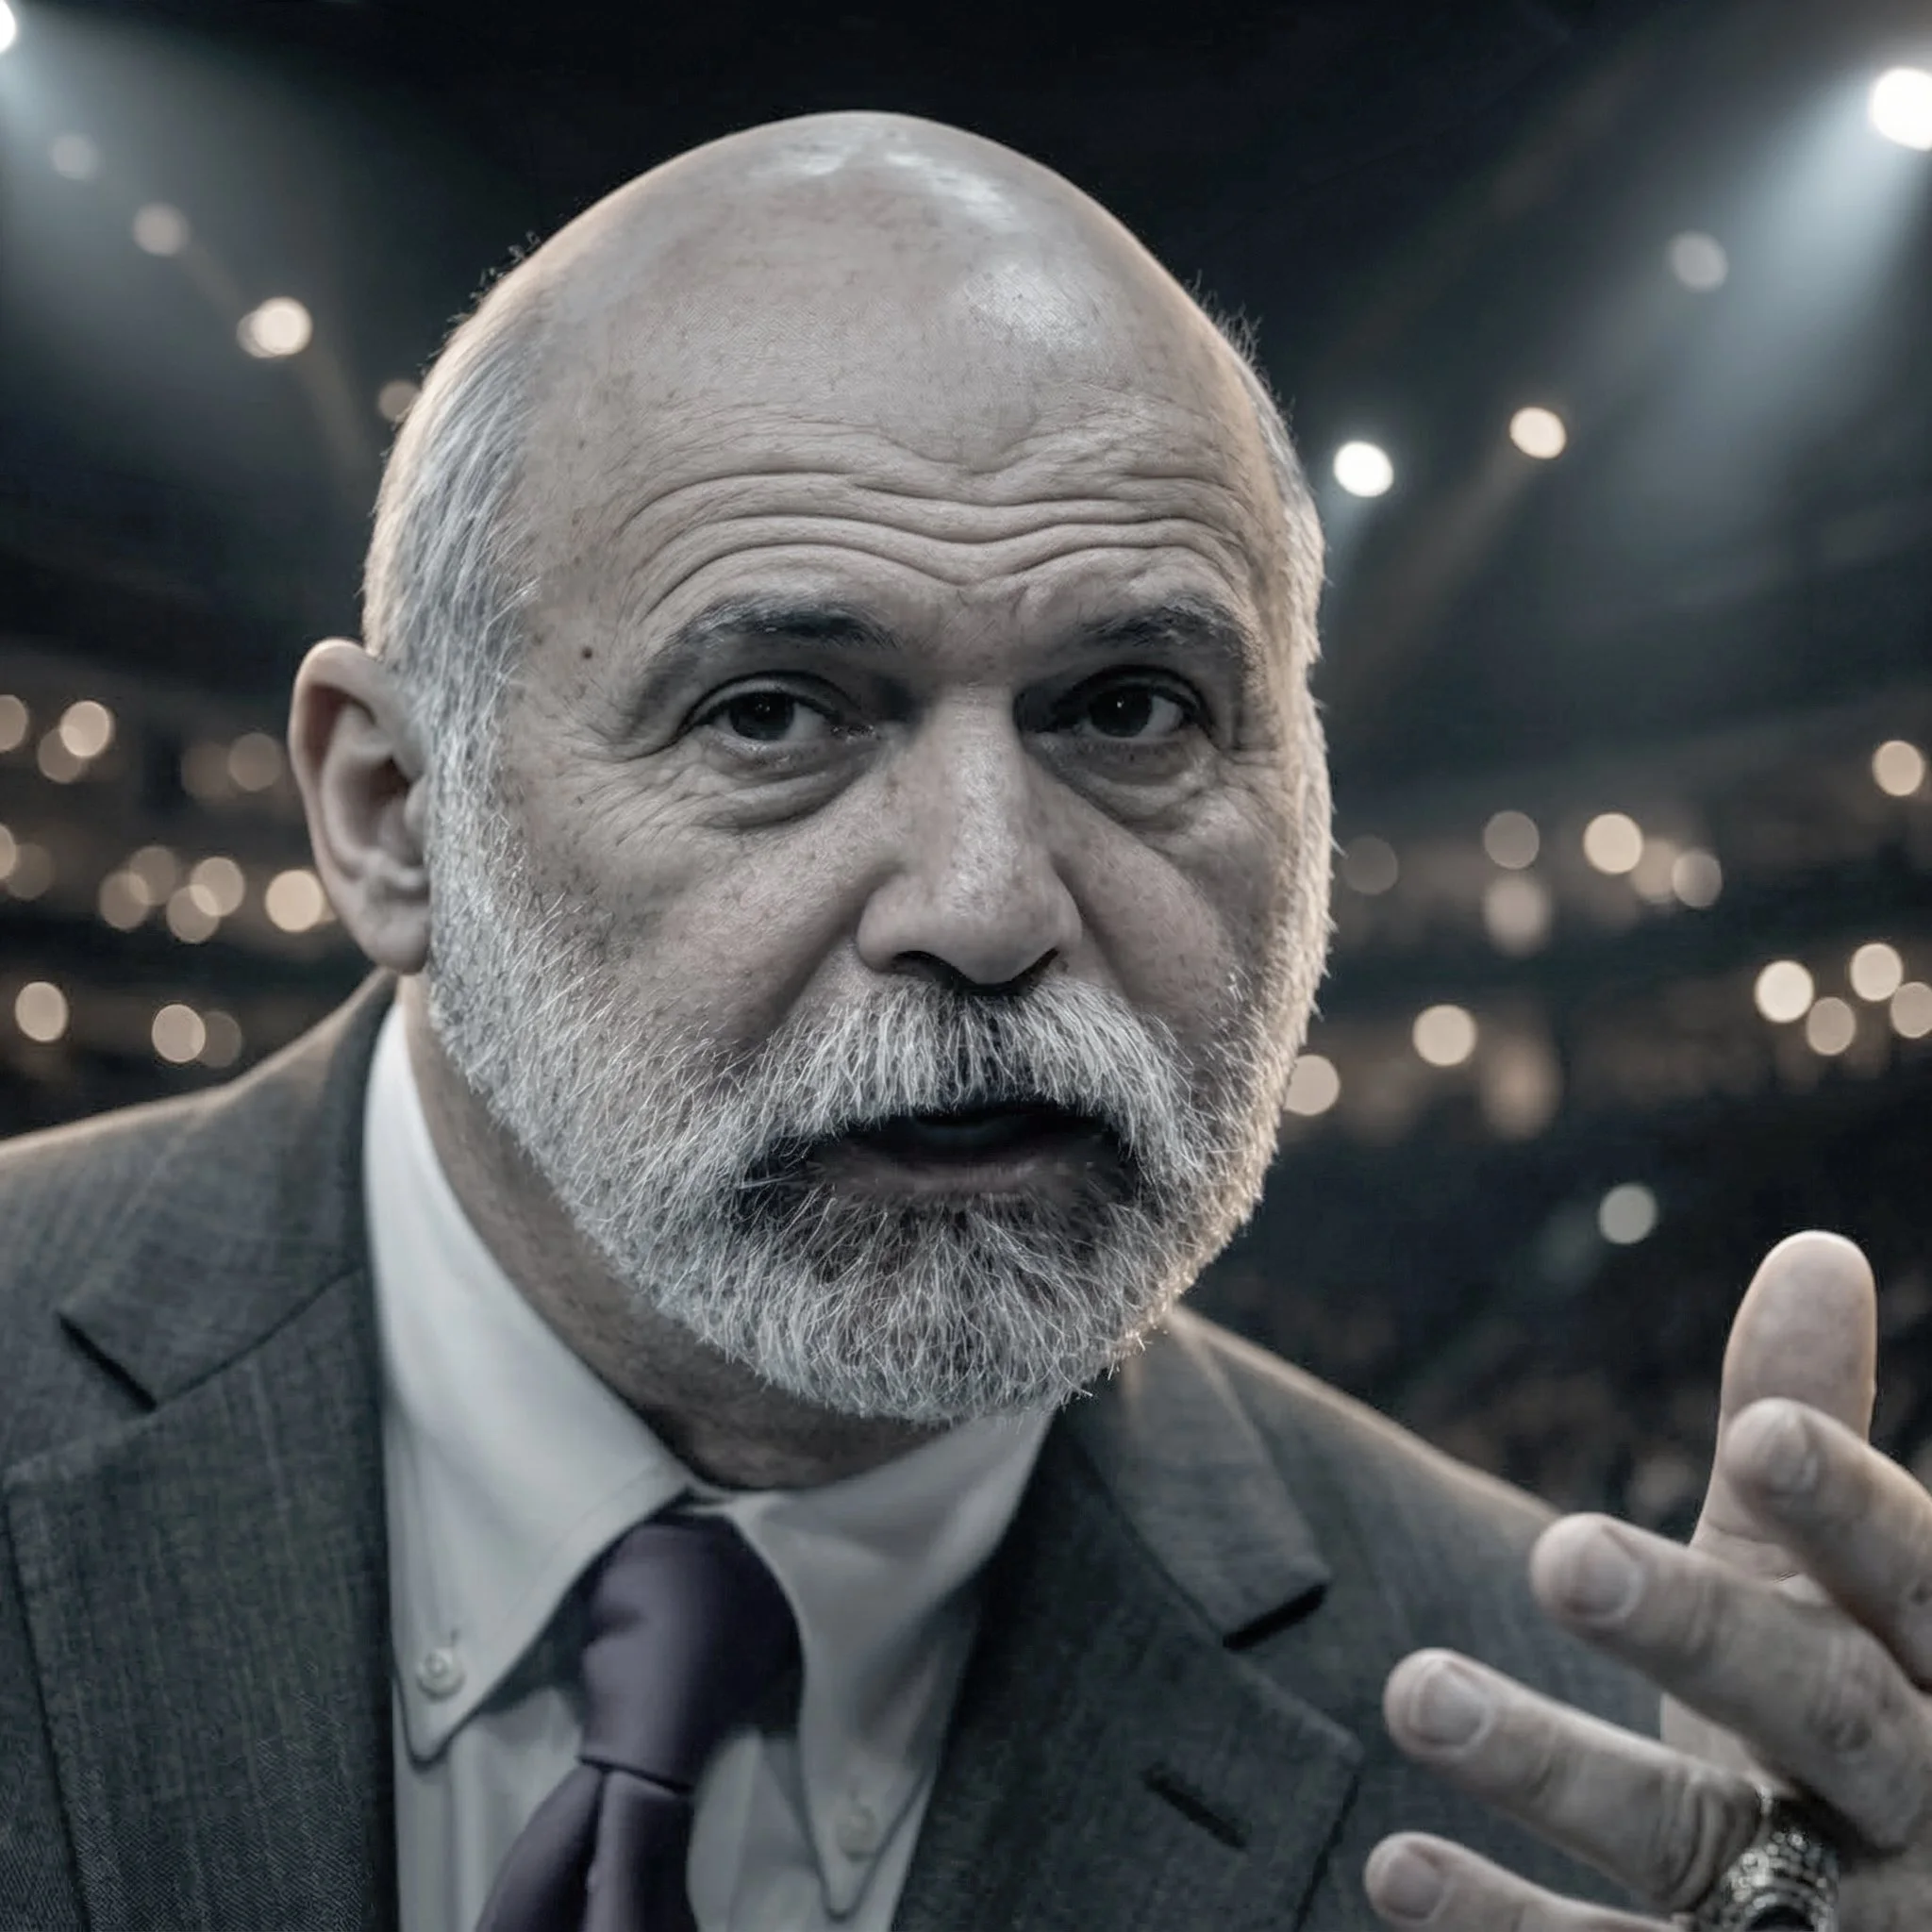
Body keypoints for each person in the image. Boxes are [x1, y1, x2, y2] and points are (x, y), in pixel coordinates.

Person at [0, 110, 1922, 1932]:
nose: (991, 907)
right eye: (771, 713)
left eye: (1129, 709)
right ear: (390, 816)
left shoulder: (1569, 1774)